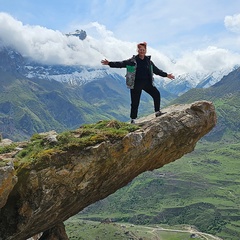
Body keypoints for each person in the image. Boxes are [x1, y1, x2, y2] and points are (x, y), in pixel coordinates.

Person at [101, 42, 175, 124]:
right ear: (138, 50)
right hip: (136, 83)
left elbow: (156, 70)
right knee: (135, 102)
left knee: (156, 94)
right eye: (140, 50)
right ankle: (133, 119)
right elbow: (122, 64)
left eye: (143, 50)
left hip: (147, 83)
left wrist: (166, 75)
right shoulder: (133, 61)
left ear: (145, 50)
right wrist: (109, 63)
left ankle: (157, 112)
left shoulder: (148, 61)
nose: (142, 51)